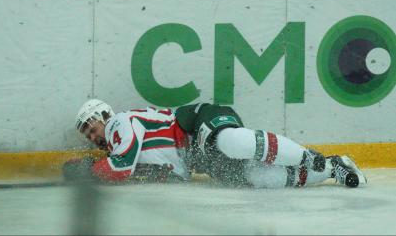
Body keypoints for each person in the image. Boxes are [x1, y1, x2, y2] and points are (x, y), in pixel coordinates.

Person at [64, 99, 367, 188]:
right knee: (255, 177)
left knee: (229, 141)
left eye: (90, 126)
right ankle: (331, 167)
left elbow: (121, 167)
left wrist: (89, 169)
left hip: (197, 125)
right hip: (199, 160)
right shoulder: (116, 145)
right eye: (86, 134)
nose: (91, 136)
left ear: (104, 115)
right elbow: (176, 174)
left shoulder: (119, 124)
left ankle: (305, 156)